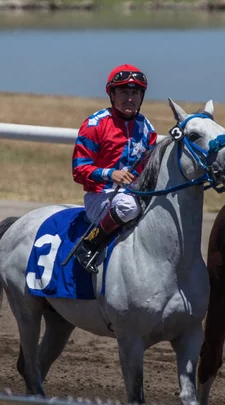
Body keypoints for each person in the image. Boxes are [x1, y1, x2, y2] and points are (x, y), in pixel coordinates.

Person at [72, 64, 158, 274]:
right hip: (101, 196)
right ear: (112, 94)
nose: (130, 98)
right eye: (123, 92)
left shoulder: (147, 128)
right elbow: (79, 170)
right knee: (128, 207)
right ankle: (88, 246)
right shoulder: (95, 125)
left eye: (135, 92)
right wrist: (110, 174)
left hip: (136, 194)